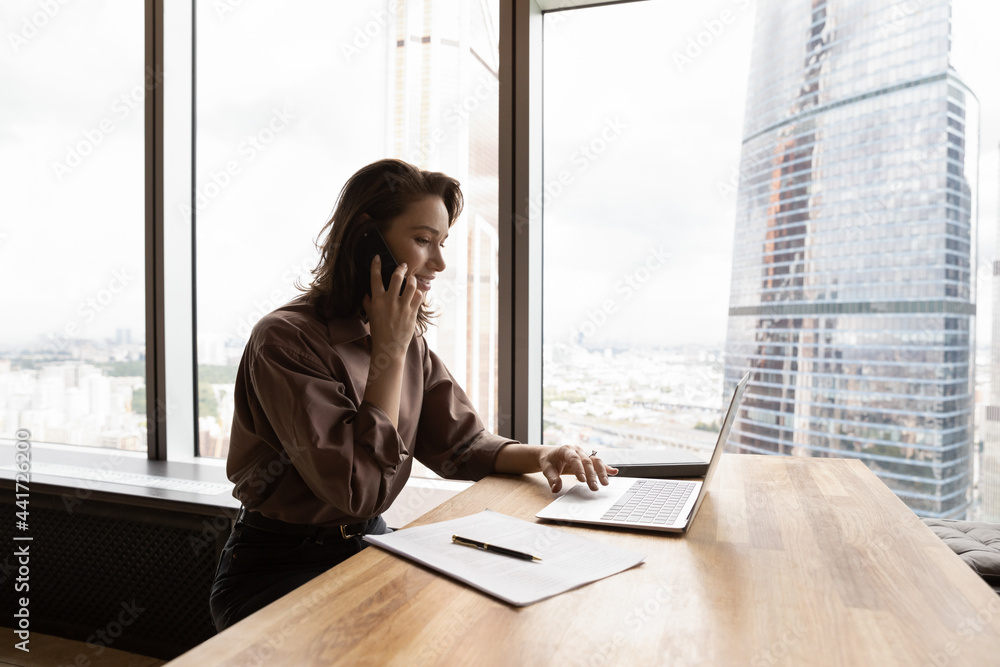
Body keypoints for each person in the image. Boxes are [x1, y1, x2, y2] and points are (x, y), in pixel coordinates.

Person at [209, 158, 616, 631]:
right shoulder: (285, 340)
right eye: (423, 241)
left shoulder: (406, 340)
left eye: (441, 243)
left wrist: (548, 453)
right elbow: (356, 491)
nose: (439, 263)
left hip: (370, 543)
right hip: (278, 564)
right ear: (366, 238)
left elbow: (462, 446)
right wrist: (390, 349)